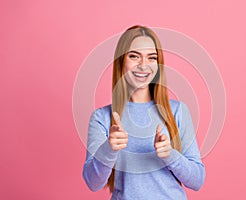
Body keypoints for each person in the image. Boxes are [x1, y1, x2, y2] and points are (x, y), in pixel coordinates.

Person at [82, 25, 206, 200]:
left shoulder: (178, 111)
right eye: (134, 56)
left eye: (152, 57)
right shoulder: (102, 118)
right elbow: (93, 183)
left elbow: (197, 180)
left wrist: (170, 155)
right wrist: (109, 149)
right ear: (121, 61)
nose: (143, 65)